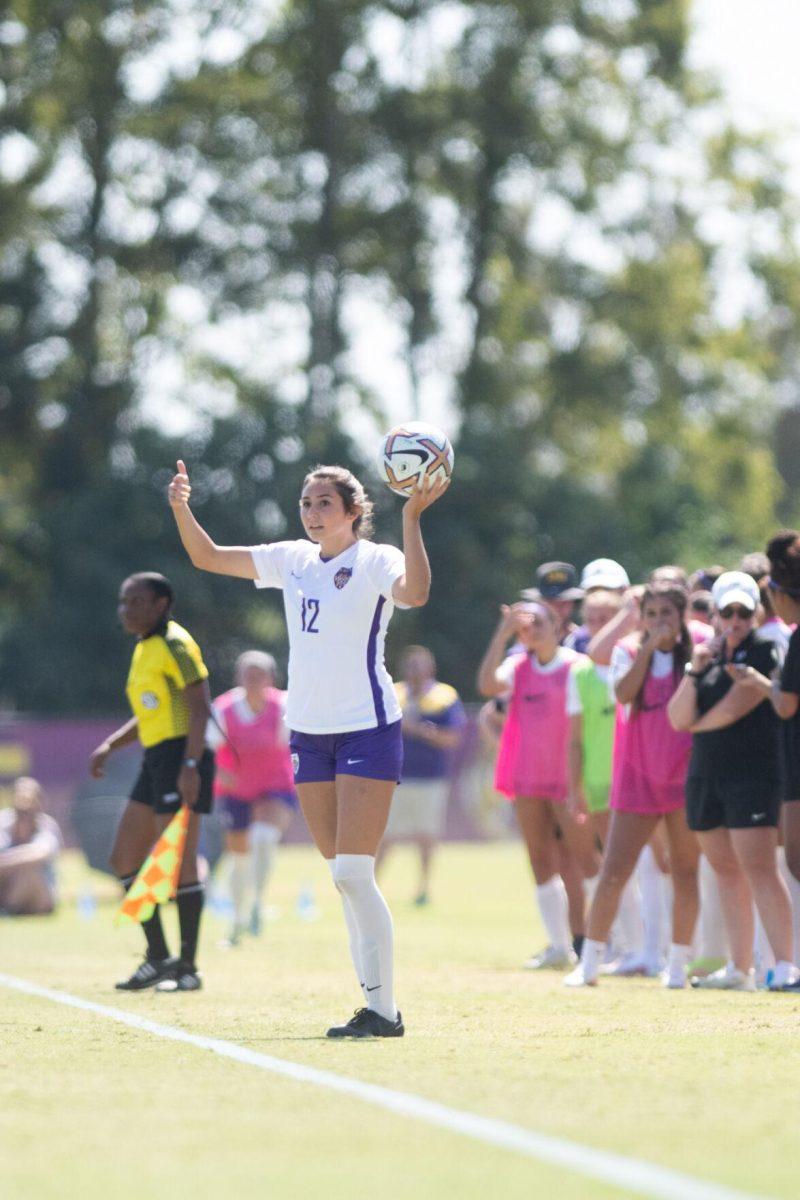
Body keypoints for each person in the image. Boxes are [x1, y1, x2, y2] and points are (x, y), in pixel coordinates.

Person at [168, 457, 448, 1038]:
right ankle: (374, 1005)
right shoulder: (293, 559)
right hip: (309, 735)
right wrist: (180, 507)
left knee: (352, 871)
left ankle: (385, 1009)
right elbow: (207, 556)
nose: (312, 512)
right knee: (342, 876)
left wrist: (413, 518)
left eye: (325, 503)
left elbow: (416, 594)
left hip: (368, 728)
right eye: (306, 502)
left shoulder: (375, 559)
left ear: (353, 512)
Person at [565, 581, 700, 988]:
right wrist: (646, 650)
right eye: (652, 614)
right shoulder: (626, 652)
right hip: (637, 778)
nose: (659, 623)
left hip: (683, 778)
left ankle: (676, 966)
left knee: (685, 870)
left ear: (682, 618)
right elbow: (624, 694)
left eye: (667, 615)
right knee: (614, 871)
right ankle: (589, 964)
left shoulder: (696, 655)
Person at [668, 572, 798, 991]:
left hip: (752, 774)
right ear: (718, 614)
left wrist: (695, 725)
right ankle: (740, 969)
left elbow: (733, 708)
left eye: (745, 611)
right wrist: (693, 672)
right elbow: (676, 717)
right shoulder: (706, 658)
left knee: (760, 868)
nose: (737, 619)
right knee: (725, 871)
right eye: (729, 611)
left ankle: (783, 965)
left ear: (757, 612)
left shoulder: (764, 648)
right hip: (707, 775)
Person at [89, 572, 214, 992]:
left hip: (183, 757)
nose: (126, 609)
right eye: (123, 602)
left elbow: (199, 709)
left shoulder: (176, 643)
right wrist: (111, 744)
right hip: (156, 759)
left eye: (136, 601)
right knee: (124, 859)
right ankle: (159, 957)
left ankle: (189, 968)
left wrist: (192, 765)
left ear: (161, 604)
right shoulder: (145, 648)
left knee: (178, 867)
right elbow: (149, 714)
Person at [478, 600, 600, 969]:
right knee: (539, 858)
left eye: (539, 623)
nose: (532, 630)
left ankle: (604, 941)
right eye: (525, 625)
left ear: (558, 624)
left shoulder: (576, 665)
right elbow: (486, 684)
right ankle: (559, 946)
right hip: (527, 777)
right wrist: (503, 634)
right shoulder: (518, 666)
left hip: (567, 778)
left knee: (585, 859)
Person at [208, 650, 297, 945]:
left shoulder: (284, 706)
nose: (254, 681)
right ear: (239, 678)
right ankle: (236, 919)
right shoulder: (223, 709)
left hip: (275, 784)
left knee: (263, 838)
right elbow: (206, 749)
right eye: (248, 675)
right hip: (236, 788)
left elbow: (295, 745)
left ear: (271, 679)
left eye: (260, 675)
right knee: (239, 854)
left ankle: (258, 903)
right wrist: (221, 774)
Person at [376, 645, 466, 905]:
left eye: (419, 665)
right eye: (410, 665)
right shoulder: (394, 694)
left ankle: (423, 888)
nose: (414, 671)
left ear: (430, 668)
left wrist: (420, 730)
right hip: (395, 777)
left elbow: (452, 738)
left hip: (431, 778)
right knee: (386, 834)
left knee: (426, 836)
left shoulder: (444, 697)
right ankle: (373, 886)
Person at [0, 777, 61, 915]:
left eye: (29, 806)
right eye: (20, 808)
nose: (24, 812)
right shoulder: (3, 821)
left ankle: (7, 912)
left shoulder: (47, 825)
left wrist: (4, 863)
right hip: (7, 888)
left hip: (40, 898)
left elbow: (39, 853)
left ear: (39, 805)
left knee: (29, 870)